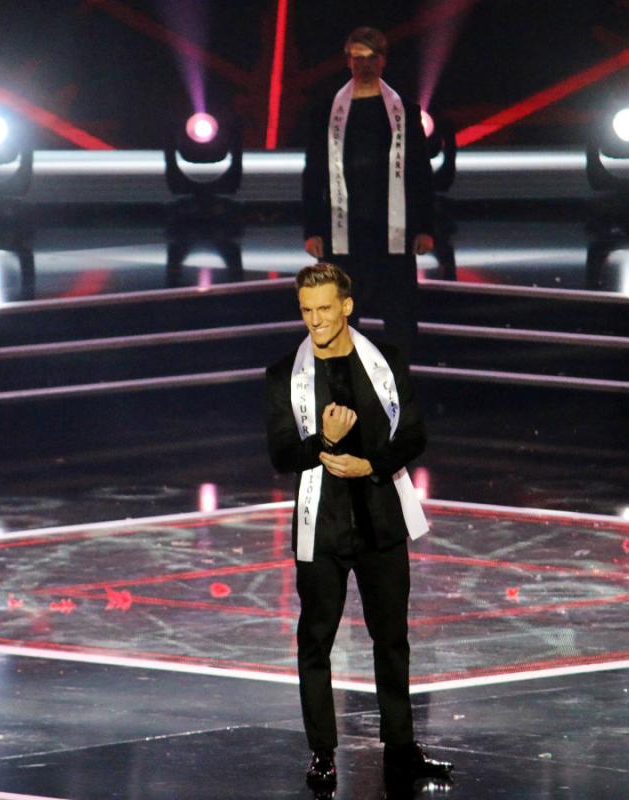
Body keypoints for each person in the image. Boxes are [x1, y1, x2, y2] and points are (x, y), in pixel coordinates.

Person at [265, 263, 452, 792]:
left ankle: (401, 748)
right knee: (315, 641)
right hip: (321, 528)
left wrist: (370, 464)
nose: (315, 320)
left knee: (391, 639)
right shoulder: (284, 375)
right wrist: (322, 441)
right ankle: (323, 753)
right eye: (307, 310)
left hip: (378, 521)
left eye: (325, 308)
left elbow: (413, 435)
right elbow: (281, 454)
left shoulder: (384, 362)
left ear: (346, 306)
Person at [301, 26, 435, 359]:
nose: (365, 65)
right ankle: (342, 379)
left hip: (394, 228)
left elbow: (420, 172)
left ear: (383, 60)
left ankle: (397, 378)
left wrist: (425, 227)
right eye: (358, 58)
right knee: (340, 311)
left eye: (371, 57)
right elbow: (314, 172)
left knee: (400, 313)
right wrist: (312, 229)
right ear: (348, 61)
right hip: (343, 228)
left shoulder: (405, 110)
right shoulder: (325, 111)